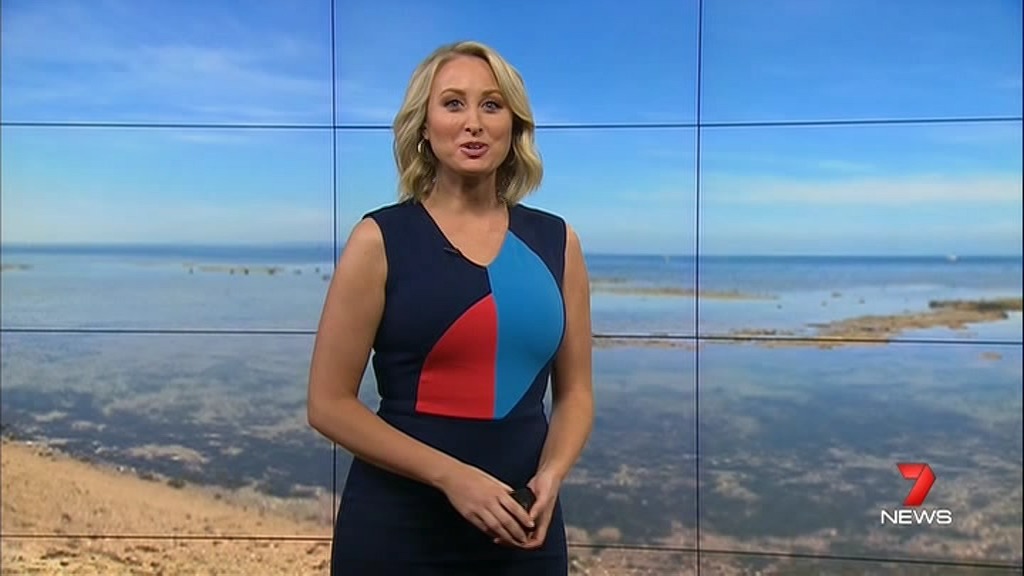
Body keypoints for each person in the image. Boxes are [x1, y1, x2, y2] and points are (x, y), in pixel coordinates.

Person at [307, 39, 594, 575]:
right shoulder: (379, 239)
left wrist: (552, 474)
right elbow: (328, 404)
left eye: (492, 105)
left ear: (514, 126)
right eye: (453, 103)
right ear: (424, 125)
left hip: (523, 529)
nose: (473, 123)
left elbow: (575, 393)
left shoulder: (559, 243)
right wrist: (452, 477)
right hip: (397, 531)